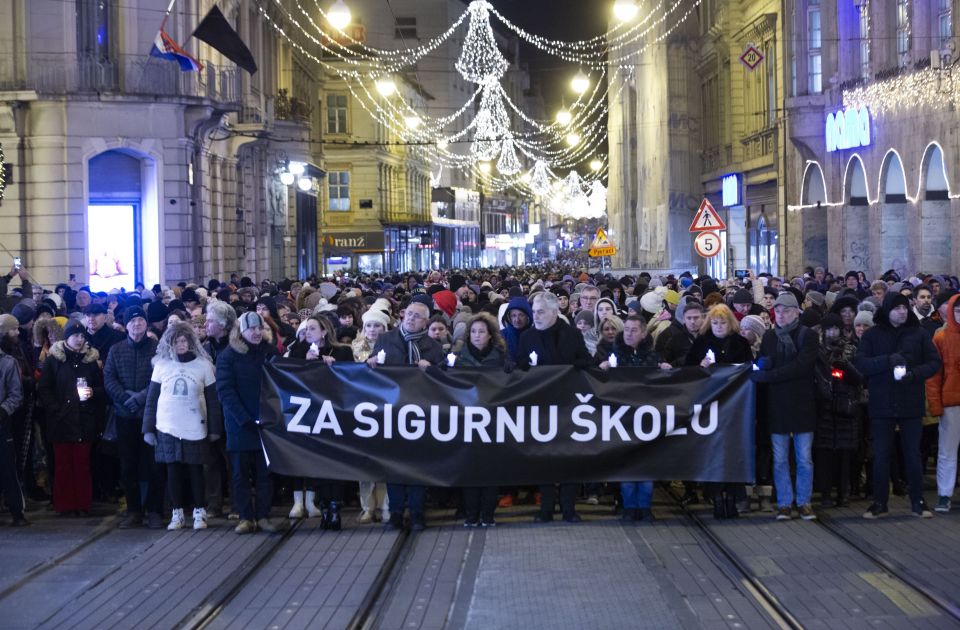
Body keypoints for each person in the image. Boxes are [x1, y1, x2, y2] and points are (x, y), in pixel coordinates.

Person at [856, 291, 941, 519]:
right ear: (887, 311)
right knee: (882, 453)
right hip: (882, 402)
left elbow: (934, 362)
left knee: (912, 454)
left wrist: (914, 375)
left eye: (904, 307)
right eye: (897, 308)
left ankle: (918, 501)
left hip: (910, 401)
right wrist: (887, 361)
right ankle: (879, 502)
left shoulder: (919, 334)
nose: (902, 312)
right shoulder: (873, 335)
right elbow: (862, 363)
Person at [369, 297, 444, 531]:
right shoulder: (385, 340)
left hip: (420, 412)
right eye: (409, 313)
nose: (411, 318)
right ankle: (396, 512)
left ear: (425, 322)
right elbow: (372, 373)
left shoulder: (433, 347)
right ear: (403, 315)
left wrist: (431, 370)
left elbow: (444, 379)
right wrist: (370, 363)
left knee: (418, 464)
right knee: (395, 464)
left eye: (417, 316)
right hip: (392, 412)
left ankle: (418, 511)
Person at [517, 291, 591, 523]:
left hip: (569, 405)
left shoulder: (571, 334)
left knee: (571, 456)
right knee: (544, 458)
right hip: (541, 406)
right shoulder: (527, 337)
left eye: (540, 312)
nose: (535, 316)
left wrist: (569, 368)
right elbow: (520, 366)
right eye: (534, 312)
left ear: (554, 312)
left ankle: (569, 508)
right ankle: (546, 508)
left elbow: (585, 361)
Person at [143, 322, 222, 531]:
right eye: (177, 341)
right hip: (167, 426)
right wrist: (148, 429)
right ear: (170, 343)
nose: (181, 344)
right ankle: (176, 512)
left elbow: (213, 400)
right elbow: (152, 399)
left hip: (195, 426)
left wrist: (215, 429)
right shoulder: (161, 366)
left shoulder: (203, 366)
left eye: (185, 340)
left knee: (197, 470)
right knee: (173, 470)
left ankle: (199, 511)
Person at [751, 293, 819, 522]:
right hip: (778, 405)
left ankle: (804, 501)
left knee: (804, 458)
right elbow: (762, 362)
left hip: (801, 404)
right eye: (777, 311)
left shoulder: (807, 336)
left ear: (795, 313)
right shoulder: (770, 337)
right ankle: (784, 503)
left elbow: (802, 367)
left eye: (785, 311)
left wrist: (770, 375)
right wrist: (762, 366)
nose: (780, 315)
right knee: (779, 458)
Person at [597, 315, 670, 522]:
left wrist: (664, 370)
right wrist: (602, 370)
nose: (628, 333)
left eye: (633, 330)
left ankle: (645, 506)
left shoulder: (653, 356)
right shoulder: (615, 354)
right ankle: (629, 506)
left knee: (646, 465)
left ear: (644, 333)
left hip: (647, 418)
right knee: (628, 466)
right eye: (626, 329)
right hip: (624, 418)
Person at [284, 315, 353, 530]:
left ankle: (335, 507)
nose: (308, 332)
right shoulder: (297, 351)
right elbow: (288, 376)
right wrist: (306, 363)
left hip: (335, 414)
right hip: (311, 415)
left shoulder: (342, 351)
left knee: (335, 462)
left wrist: (336, 367)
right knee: (318, 462)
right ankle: (323, 505)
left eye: (313, 328)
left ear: (324, 331)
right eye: (306, 329)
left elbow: (352, 379)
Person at [686, 305, 753, 516]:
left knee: (733, 451)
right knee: (712, 451)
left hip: (735, 407)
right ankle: (715, 496)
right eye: (715, 323)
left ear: (730, 323)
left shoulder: (740, 343)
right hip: (710, 406)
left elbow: (749, 368)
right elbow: (687, 369)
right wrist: (700, 366)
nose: (718, 326)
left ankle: (733, 497)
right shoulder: (702, 342)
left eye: (722, 322)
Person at [217, 311, 279, 534]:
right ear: (240, 331)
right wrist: (243, 418)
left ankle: (263, 515)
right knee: (239, 473)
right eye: (251, 329)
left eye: (259, 328)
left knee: (265, 473)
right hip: (239, 424)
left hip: (265, 422)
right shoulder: (229, 355)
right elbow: (225, 390)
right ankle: (245, 516)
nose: (256, 332)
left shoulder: (270, 352)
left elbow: (280, 383)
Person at [103, 307, 165, 529]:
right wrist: (125, 398)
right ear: (126, 325)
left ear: (146, 324)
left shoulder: (157, 349)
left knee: (153, 464)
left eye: (140, 320)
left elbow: (161, 378)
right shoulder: (116, 350)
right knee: (128, 465)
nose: (137, 324)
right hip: (124, 414)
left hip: (151, 416)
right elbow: (109, 378)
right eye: (133, 321)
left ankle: (155, 510)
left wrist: (140, 398)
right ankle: (133, 510)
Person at [37, 320, 103, 516]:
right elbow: (45, 388)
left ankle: (82, 504)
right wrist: (55, 409)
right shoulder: (53, 360)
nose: (80, 340)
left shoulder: (89, 360)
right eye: (75, 336)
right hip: (61, 420)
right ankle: (64, 505)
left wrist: (93, 392)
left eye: (82, 336)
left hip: (84, 419)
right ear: (67, 337)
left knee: (82, 464)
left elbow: (101, 387)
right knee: (63, 464)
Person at [453, 313, 505, 527]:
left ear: (490, 335)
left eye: (481, 331)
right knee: (470, 471)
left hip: (493, 420)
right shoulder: (458, 358)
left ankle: (488, 514)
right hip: (467, 421)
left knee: (491, 470)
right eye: (473, 331)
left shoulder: (501, 358)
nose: (477, 335)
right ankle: (471, 515)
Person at [813, 313, 863, 508]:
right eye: (829, 329)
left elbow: (860, 379)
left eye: (836, 328)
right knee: (825, 454)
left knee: (844, 455)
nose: (832, 332)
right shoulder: (817, 351)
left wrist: (846, 367)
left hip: (845, 407)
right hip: (824, 407)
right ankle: (825, 492)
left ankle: (844, 493)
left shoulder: (850, 349)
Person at [351, 308, 391, 524]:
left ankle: (385, 504)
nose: (373, 330)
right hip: (362, 409)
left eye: (377, 326)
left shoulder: (393, 348)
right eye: (369, 326)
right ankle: (367, 506)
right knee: (364, 461)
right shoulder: (355, 348)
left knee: (385, 459)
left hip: (385, 409)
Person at [201, 301, 236, 518]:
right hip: (208, 410)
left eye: (210, 320)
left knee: (232, 460)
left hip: (229, 410)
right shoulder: (204, 348)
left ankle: (236, 504)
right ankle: (213, 504)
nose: (206, 323)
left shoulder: (234, 348)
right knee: (210, 460)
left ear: (223, 325)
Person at [928, 294, 960, 513]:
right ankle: (944, 494)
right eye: (957, 311)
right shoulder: (940, 338)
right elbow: (934, 377)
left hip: (951, 401)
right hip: (951, 402)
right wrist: (936, 405)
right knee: (947, 451)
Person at [0, 315, 26, 525]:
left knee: (8, 467)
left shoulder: (8, 363)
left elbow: (16, 394)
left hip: (3, 422)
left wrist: (3, 411)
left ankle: (17, 511)